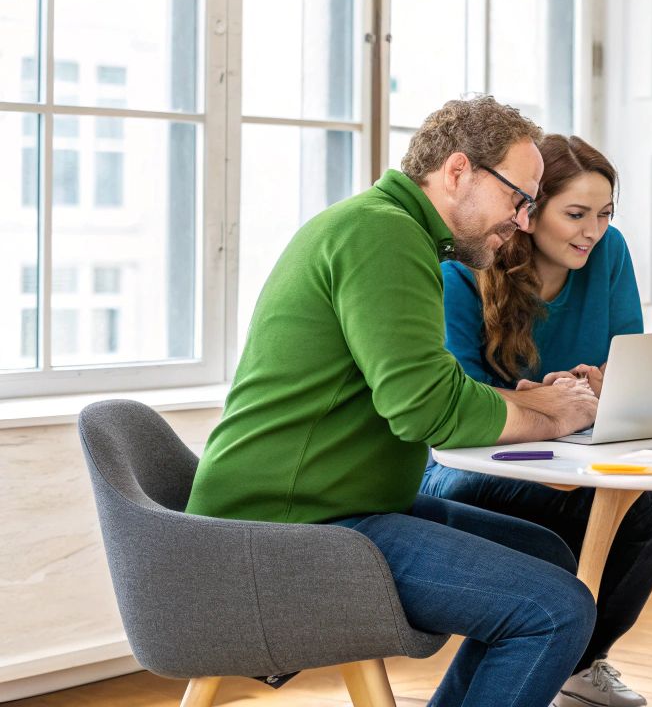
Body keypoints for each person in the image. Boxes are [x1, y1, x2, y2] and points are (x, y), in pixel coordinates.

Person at [187, 96, 604, 707]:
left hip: (332, 506)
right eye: (519, 198)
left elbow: (422, 384)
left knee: (543, 553)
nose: (521, 220)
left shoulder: (386, 228)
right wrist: (552, 412)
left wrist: (530, 401)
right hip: (287, 529)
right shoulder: (383, 234)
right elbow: (424, 409)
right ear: (458, 171)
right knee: (556, 609)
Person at [422, 134, 652, 707]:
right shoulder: (463, 270)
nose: (593, 230)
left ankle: (581, 662)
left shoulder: (608, 254)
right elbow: (454, 399)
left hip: (568, 452)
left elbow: (627, 360)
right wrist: (540, 403)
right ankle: (552, 650)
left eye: (605, 214)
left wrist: (603, 384)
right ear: (530, 210)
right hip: (459, 465)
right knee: (571, 518)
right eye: (576, 214)